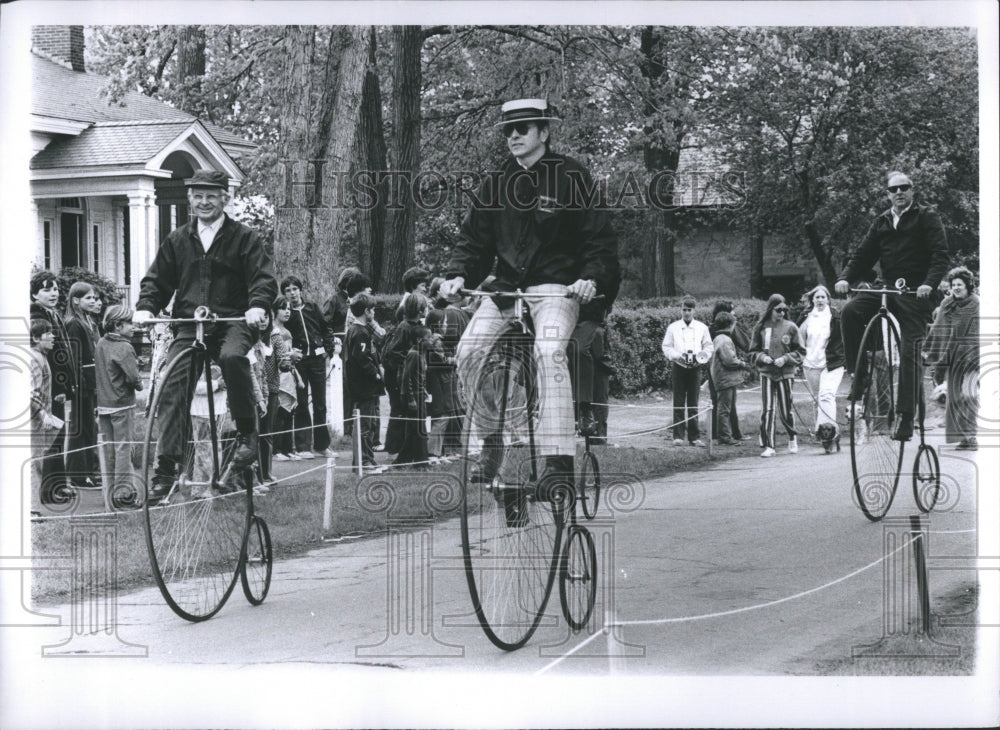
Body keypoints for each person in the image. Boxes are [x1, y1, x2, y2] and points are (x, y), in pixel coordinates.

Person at [439, 98, 618, 493]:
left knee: (549, 350)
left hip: (557, 289)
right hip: (505, 292)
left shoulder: (573, 177)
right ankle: (492, 440)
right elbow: (473, 242)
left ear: (544, 132)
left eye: (523, 128)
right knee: (468, 351)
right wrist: (456, 275)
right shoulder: (496, 183)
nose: (514, 136)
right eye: (508, 130)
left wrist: (591, 278)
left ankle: (558, 462)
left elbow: (599, 241)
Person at [133, 169, 277, 504]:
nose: (204, 202)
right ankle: (166, 470)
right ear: (190, 199)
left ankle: (246, 433)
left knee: (232, 357)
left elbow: (263, 279)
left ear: (225, 198)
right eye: (197, 196)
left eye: (211, 195)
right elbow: (157, 279)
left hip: (233, 320)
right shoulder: (179, 239)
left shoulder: (244, 237)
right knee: (172, 384)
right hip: (190, 322)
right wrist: (146, 306)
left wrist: (257, 306)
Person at [834, 170, 950, 442]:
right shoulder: (882, 221)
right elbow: (863, 254)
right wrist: (844, 278)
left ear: (912, 190)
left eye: (904, 188)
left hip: (914, 293)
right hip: (887, 289)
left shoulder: (926, 216)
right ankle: (859, 378)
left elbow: (940, 255)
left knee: (910, 352)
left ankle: (906, 418)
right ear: (887, 193)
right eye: (893, 189)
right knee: (851, 311)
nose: (899, 193)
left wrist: (929, 284)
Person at [29, 271, 76, 503]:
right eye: (47, 289)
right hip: (48, 388)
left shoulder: (54, 314)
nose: (53, 293)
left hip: (58, 386)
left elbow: (63, 351)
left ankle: (59, 484)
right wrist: (58, 387)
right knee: (49, 439)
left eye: (56, 289)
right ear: (34, 293)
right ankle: (49, 491)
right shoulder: (35, 314)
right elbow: (49, 357)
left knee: (58, 436)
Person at [923, 266, 980, 450]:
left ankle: (971, 436)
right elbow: (938, 330)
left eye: (960, 284)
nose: (956, 288)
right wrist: (932, 354)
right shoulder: (947, 304)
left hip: (973, 359)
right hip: (952, 357)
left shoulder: (977, 304)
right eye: (953, 284)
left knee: (969, 396)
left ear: (968, 286)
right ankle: (963, 437)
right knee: (954, 398)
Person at [281, 276, 336, 459]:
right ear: (284, 294)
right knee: (302, 403)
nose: (292, 293)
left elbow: (326, 328)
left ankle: (322, 445)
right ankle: (303, 446)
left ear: (300, 290)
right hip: (299, 362)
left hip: (317, 360)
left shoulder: (312, 307)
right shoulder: (287, 314)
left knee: (320, 404)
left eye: (295, 289)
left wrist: (328, 349)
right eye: (288, 290)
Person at [94, 304, 143, 504]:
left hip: (104, 403)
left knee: (108, 447)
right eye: (129, 323)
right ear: (117, 325)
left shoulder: (101, 344)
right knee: (123, 447)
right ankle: (124, 492)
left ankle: (109, 488)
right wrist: (139, 384)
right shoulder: (125, 347)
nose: (133, 327)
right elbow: (133, 378)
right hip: (122, 404)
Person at [750, 294, 806, 457]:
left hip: (785, 374)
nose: (781, 313)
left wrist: (786, 358)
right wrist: (762, 357)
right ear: (771, 309)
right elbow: (753, 351)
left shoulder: (791, 327)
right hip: (767, 373)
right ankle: (769, 445)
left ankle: (792, 437)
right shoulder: (760, 327)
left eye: (784, 310)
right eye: (778, 310)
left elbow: (801, 352)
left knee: (786, 408)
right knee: (768, 409)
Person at [426, 277, 472, 456]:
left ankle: (447, 449)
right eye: (444, 323)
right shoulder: (435, 340)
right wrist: (454, 360)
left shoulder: (440, 334)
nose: (447, 324)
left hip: (449, 373)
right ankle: (439, 451)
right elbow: (439, 359)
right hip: (444, 375)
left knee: (451, 409)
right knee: (445, 411)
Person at [661, 296, 714, 447]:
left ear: (694, 311)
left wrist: (702, 357)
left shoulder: (702, 327)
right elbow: (666, 346)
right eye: (684, 310)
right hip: (679, 366)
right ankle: (678, 436)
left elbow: (708, 346)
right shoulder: (673, 327)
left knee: (693, 402)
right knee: (678, 400)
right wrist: (677, 356)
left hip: (695, 367)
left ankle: (694, 437)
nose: (686, 313)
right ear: (681, 310)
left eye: (689, 310)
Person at [64, 281, 101, 489]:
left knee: (89, 427)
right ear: (75, 300)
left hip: (89, 381)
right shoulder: (73, 323)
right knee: (81, 427)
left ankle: (87, 471)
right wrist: (79, 384)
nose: (93, 301)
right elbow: (73, 357)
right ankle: (78, 474)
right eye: (89, 298)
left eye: (94, 298)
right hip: (81, 384)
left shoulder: (86, 320)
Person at [796, 285, 845, 441]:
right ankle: (820, 431)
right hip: (810, 362)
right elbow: (798, 337)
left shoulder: (836, 316)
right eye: (817, 297)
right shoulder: (806, 316)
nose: (820, 300)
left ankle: (830, 433)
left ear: (828, 299)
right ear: (812, 300)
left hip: (832, 362)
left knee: (826, 395)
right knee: (818, 398)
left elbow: (844, 338)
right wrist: (800, 356)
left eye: (823, 297)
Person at [343, 293, 384, 471]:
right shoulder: (359, 332)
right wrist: (375, 373)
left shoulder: (359, 330)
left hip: (365, 387)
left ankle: (368, 459)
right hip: (363, 387)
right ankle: (363, 461)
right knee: (364, 425)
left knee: (368, 423)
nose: (374, 312)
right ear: (366, 311)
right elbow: (362, 358)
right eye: (372, 309)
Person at [29, 319, 64, 508]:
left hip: (40, 419)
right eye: (47, 333)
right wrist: (43, 414)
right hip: (34, 421)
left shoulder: (41, 357)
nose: (53, 336)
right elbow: (30, 393)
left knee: (39, 459)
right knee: (34, 462)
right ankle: (32, 509)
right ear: (35, 337)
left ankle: (36, 504)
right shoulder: (34, 358)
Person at [707, 300, 750, 442]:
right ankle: (725, 436)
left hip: (723, 377)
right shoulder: (724, 339)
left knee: (724, 405)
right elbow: (729, 360)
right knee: (724, 407)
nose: (734, 314)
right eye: (731, 311)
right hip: (725, 378)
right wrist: (743, 364)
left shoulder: (718, 336)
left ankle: (725, 434)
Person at [270, 296, 300, 461]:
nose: (287, 311)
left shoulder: (287, 332)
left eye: (289, 308)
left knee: (290, 413)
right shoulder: (272, 331)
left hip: (289, 374)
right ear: (275, 311)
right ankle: (277, 449)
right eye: (283, 308)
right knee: (280, 413)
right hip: (278, 375)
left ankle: (289, 448)